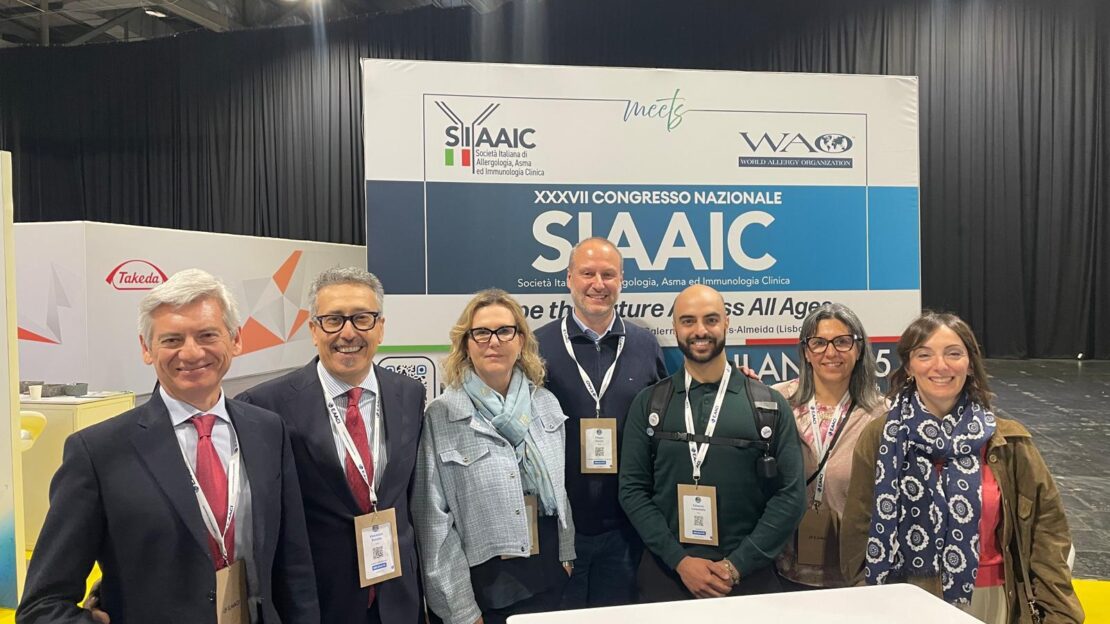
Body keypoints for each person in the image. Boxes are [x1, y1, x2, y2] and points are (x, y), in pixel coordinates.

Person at [17, 269, 319, 624]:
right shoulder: (98, 453)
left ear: (236, 340)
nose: (191, 352)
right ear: (147, 349)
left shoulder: (267, 431)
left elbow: (294, 567)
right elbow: (41, 606)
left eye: (207, 335)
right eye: (172, 340)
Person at [841, 312, 1084, 623]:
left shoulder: (1008, 441)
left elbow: (1048, 530)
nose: (940, 365)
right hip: (905, 601)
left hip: (993, 601)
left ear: (970, 364)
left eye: (953, 353)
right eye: (924, 354)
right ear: (909, 366)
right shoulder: (880, 437)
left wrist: (1059, 612)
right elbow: (858, 528)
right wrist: (865, 597)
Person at [238, 267, 426, 624]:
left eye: (362, 318)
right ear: (313, 330)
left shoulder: (410, 393)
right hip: (319, 604)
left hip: (398, 599)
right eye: (333, 320)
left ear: (381, 327)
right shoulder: (264, 407)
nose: (348, 333)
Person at [619, 284, 805, 600]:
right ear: (674, 327)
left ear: (727, 322)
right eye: (688, 321)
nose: (700, 330)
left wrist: (736, 566)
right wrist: (680, 561)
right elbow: (632, 490)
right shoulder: (648, 404)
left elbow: (791, 496)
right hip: (666, 576)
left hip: (748, 580)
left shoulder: (769, 405)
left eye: (711, 319)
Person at [413, 289, 575, 624]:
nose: (494, 342)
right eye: (481, 333)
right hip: (485, 591)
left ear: (520, 340)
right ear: (466, 344)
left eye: (504, 331)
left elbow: (561, 492)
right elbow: (433, 524)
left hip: (550, 578)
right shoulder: (442, 415)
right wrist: (461, 611)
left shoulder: (545, 403)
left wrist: (566, 553)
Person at [534, 237, 667, 608]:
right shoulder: (536, 346)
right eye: (587, 273)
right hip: (559, 531)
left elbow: (670, 415)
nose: (598, 284)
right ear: (569, 278)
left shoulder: (645, 345)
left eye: (608, 274)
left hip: (626, 532)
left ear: (621, 280)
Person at [771, 303, 886, 590]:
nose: (831, 352)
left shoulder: (882, 415)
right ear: (806, 351)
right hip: (780, 568)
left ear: (859, 348)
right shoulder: (775, 403)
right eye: (819, 342)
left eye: (842, 341)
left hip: (855, 575)